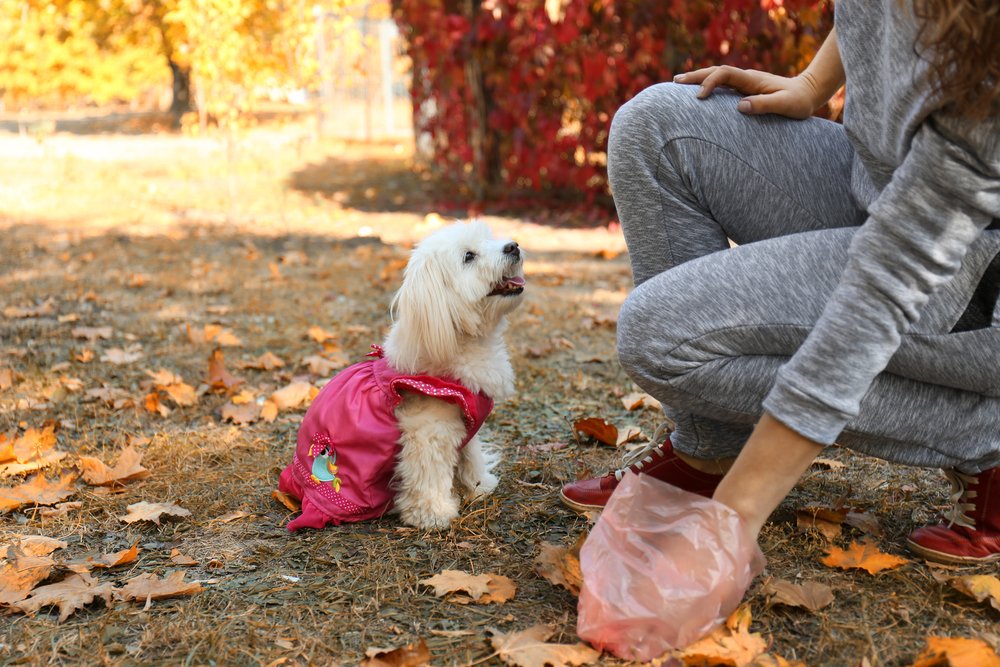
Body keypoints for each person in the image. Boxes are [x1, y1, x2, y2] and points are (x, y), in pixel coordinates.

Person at [561, 0, 999, 565]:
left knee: (659, 339)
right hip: (886, 194)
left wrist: (734, 519)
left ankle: (986, 438)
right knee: (656, 127)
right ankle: (709, 450)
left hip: (972, 267)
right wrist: (815, 82)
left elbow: (889, 282)